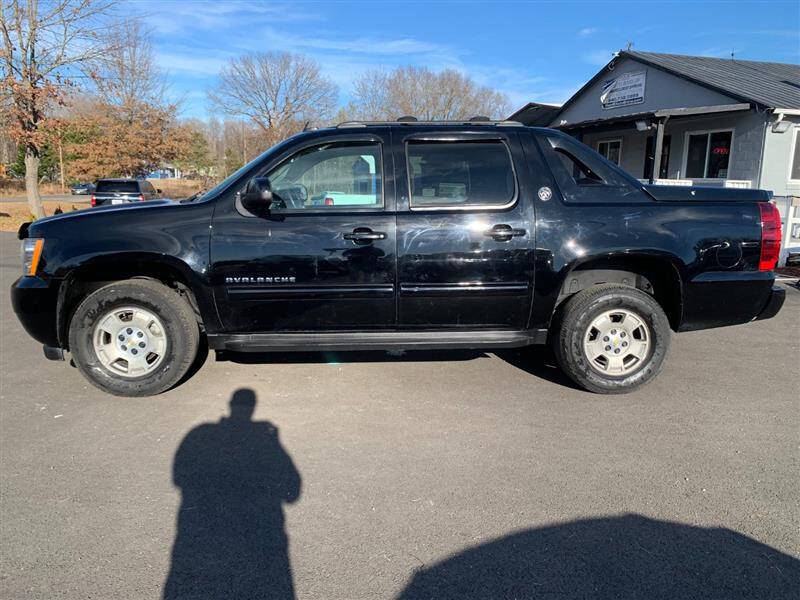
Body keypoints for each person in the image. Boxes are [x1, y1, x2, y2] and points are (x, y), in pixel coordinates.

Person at [163, 389, 301, 599]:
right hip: (258, 536)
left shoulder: (200, 433)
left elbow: (179, 478)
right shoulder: (265, 436)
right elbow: (292, 492)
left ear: (230, 405)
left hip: (199, 533)